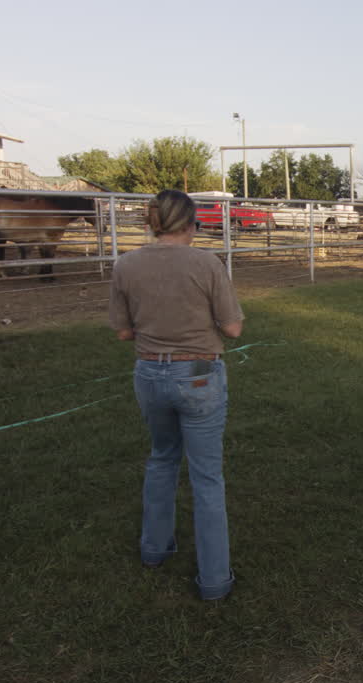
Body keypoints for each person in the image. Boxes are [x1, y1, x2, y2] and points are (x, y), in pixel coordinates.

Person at [109, 189, 244, 602]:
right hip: (200, 373)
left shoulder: (126, 264)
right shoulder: (207, 263)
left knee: (161, 458)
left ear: (154, 222)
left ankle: (154, 548)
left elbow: (123, 330)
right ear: (191, 222)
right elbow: (233, 328)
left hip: (150, 372)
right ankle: (215, 580)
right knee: (206, 477)